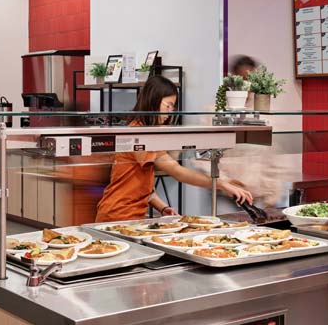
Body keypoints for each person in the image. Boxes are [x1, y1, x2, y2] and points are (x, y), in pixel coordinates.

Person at [95, 75, 253, 222]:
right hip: (116, 216)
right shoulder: (138, 133)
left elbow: (141, 185)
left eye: (172, 107)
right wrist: (222, 184)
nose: (170, 113)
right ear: (153, 101)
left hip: (131, 218)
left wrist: (163, 208)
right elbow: (177, 172)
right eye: (168, 106)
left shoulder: (146, 132)